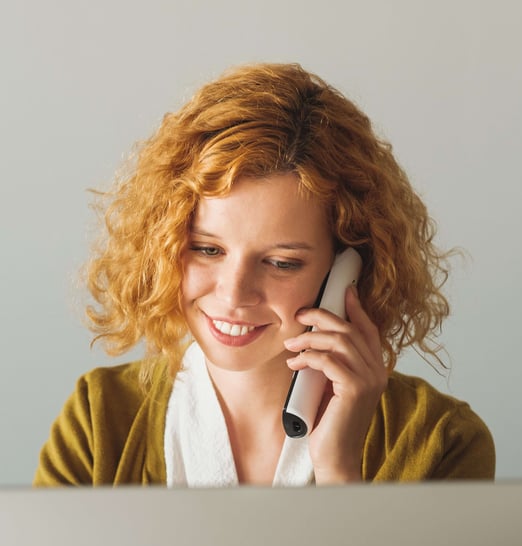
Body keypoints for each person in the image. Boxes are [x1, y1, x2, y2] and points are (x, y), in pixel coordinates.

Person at [33, 63, 495, 487]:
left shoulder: (441, 442)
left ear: (347, 270)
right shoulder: (97, 421)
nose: (234, 294)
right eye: (207, 249)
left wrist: (339, 471)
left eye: (281, 262)